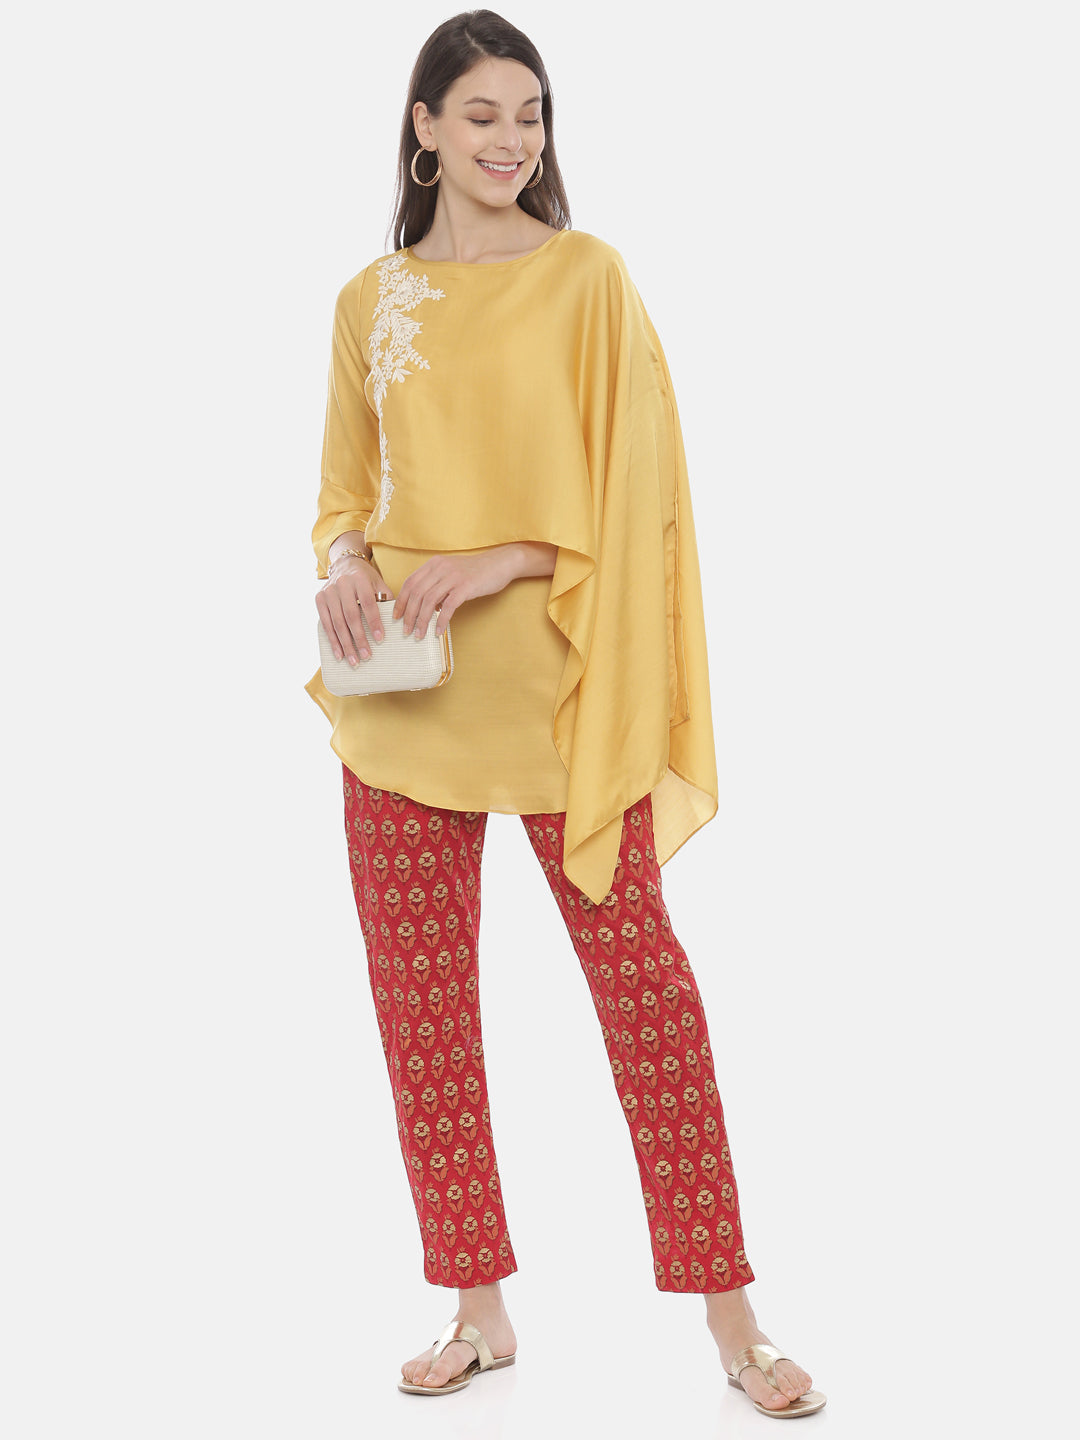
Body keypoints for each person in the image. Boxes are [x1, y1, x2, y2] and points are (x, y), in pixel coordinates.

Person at [304, 9, 825, 1418]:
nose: (511, 139)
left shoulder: (588, 278)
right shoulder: (367, 300)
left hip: (558, 700)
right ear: (424, 127)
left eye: (529, 114)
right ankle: (477, 1312)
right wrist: (345, 565)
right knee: (423, 1018)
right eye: (480, 113)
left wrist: (503, 556)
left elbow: (635, 483)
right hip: (401, 709)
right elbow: (342, 491)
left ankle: (735, 1322)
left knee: (648, 998)